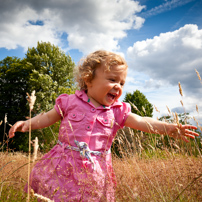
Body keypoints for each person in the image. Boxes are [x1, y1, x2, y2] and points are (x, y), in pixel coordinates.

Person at [9, 50, 198, 202]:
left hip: (95, 170)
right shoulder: (69, 102)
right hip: (62, 164)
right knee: (55, 196)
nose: (118, 86)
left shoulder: (117, 111)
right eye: (112, 80)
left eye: (122, 82)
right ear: (88, 79)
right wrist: (27, 124)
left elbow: (142, 121)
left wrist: (170, 128)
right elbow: (48, 117)